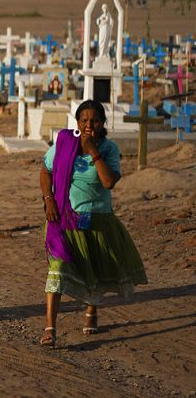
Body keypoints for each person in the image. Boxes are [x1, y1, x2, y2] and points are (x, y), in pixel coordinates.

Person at [39, 100, 146, 347]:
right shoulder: (64, 144)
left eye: (95, 120)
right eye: (84, 120)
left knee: (93, 268)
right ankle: (50, 328)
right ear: (76, 123)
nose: (89, 125)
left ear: (103, 123)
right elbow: (45, 170)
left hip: (98, 218)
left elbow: (108, 182)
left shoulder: (109, 149)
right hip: (64, 218)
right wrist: (49, 200)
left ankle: (91, 311)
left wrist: (92, 151)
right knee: (57, 269)